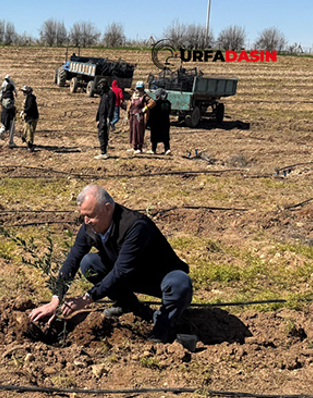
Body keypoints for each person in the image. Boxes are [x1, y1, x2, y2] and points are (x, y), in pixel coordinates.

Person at [29, 185, 193, 346]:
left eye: (91, 215)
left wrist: (87, 298)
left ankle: (163, 327)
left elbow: (121, 271)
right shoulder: (90, 227)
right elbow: (73, 259)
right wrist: (56, 298)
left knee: (180, 283)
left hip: (159, 277)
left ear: (107, 208)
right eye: (83, 216)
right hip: (130, 275)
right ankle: (128, 304)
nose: (86, 221)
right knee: (89, 263)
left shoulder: (135, 226)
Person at [0, 75, 17, 148]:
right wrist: (13, 107)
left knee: (11, 127)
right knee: (4, 128)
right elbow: (8, 105)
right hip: (8, 114)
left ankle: (10, 141)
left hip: (5, 113)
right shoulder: (9, 95)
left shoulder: (4, 94)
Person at [147, 88, 172, 155]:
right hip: (166, 122)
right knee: (166, 136)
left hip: (156, 122)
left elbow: (151, 113)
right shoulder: (168, 103)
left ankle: (153, 150)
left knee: (154, 136)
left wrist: (148, 123)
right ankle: (167, 149)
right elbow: (169, 112)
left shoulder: (155, 103)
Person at [95, 80, 116, 160]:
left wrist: (109, 118)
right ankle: (103, 151)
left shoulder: (111, 94)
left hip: (105, 118)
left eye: (102, 84)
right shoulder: (103, 94)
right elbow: (100, 107)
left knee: (103, 134)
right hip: (101, 117)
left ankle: (104, 152)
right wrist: (97, 119)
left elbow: (111, 107)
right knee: (100, 134)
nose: (101, 86)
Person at [127, 81, 149, 153]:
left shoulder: (145, 96)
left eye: (140, 88)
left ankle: (139, 148)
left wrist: (145, 108)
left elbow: (152, 102)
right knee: (133, 131)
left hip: (139, 116)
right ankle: (134, 147)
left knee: (139, 131)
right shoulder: (134, 96)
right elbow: (130, 103)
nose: (139, 90)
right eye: (138, 88)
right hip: (132, 115)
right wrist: (128, 112)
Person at [19, 85, 39, 152]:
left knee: (29, 132)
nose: (23, 93)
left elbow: (30, 108)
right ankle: (26, 141)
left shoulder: (30, 99)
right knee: (25, 130)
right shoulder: (29, 98)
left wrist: (24, 111)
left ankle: (30, 146)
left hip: (31, 117)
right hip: (29, 117)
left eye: (24, 91)